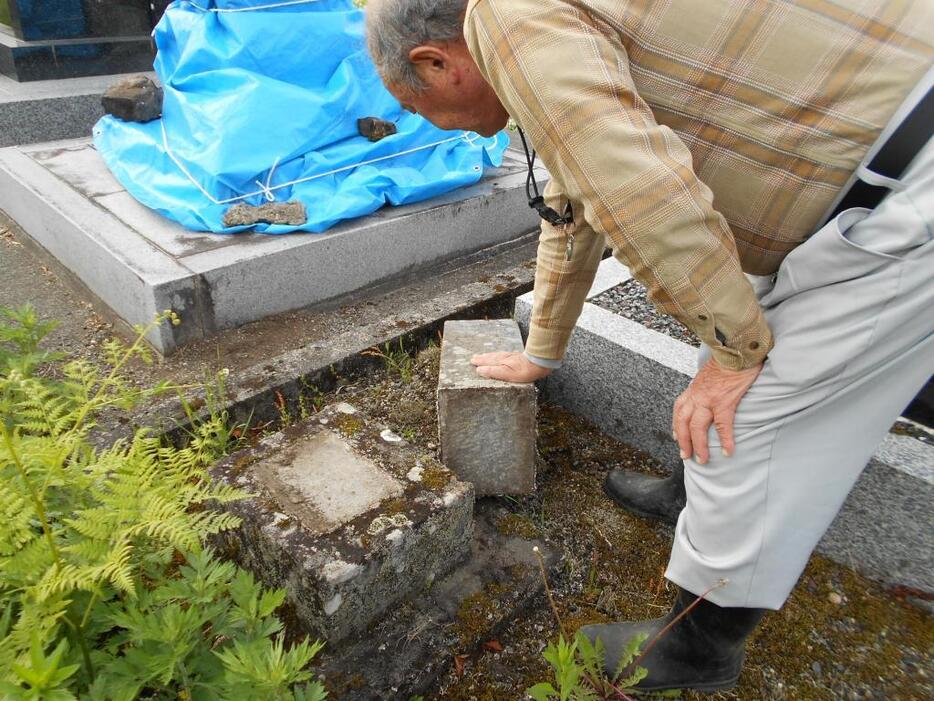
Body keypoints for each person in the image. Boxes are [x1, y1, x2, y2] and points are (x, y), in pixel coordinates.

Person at [365, 0, 933, 692]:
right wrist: (542, 351)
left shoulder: (504, 18)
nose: (431, 125)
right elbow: (576, 203)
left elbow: (638, 187)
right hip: (881, 155)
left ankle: (698, 649)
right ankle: (693, 504)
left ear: (435, 64)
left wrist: (737, 353)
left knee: (750, 413)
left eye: (418, 107)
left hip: (913, 179)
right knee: (725, 344)